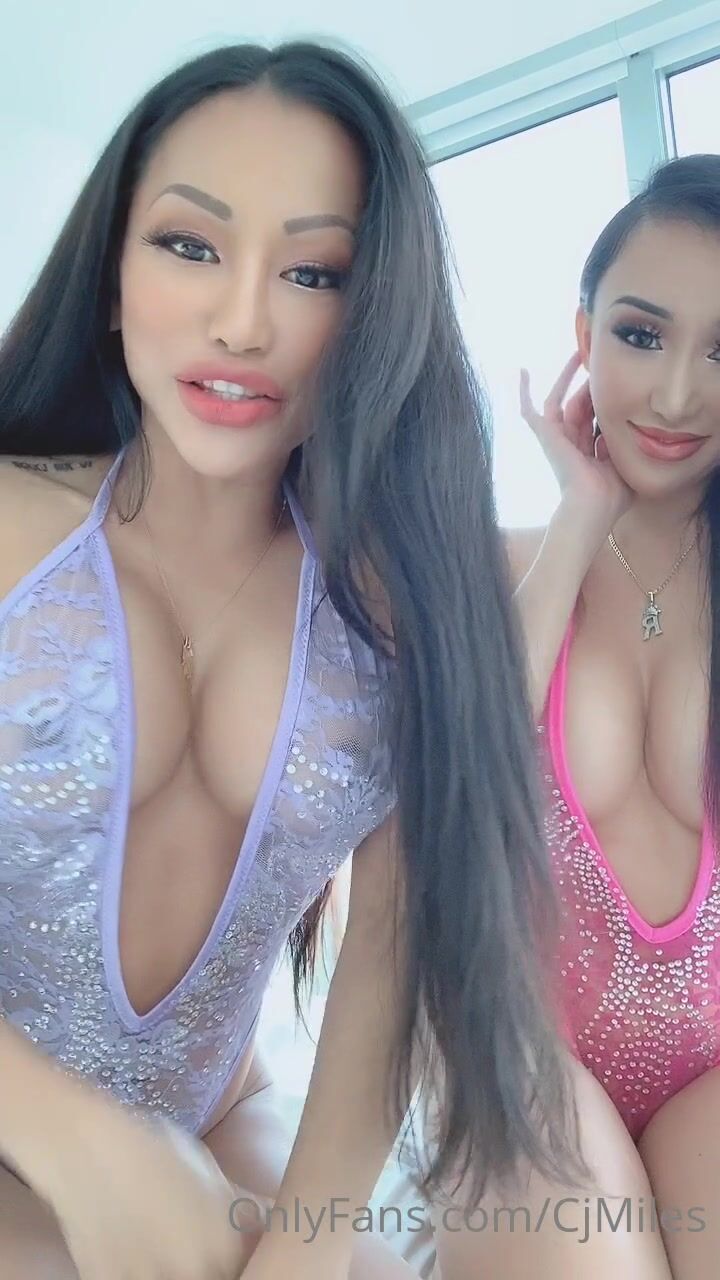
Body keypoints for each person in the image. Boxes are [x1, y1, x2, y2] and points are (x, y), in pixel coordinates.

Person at [0, 40, 579, 1280]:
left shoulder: (396, 596)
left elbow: (389, 948)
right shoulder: (9, 528)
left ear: (375, 314)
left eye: (314, 270)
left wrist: (311, 1243)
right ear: (111, 279)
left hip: (220, 1110)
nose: (244, 320)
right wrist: (78, 1143)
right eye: (189, 244)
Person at [427, 154, 720, 1280]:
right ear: (583, 332)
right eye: (642, 334)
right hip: (523, 1048)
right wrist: (580, 515)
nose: (678, 395)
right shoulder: (497, 567)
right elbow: (459, 792)